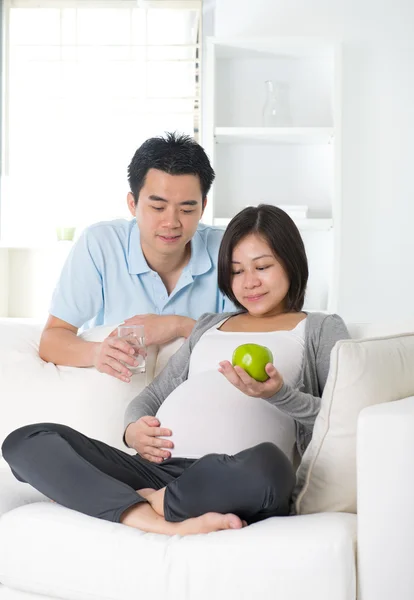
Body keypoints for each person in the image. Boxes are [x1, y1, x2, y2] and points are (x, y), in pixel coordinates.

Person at [2, 205, 350, 536]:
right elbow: (150, 397)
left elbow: (341, 421)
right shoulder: (210, 326)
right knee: (26, 441)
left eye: (262, 267)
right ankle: (156, 516)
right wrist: (131, 431)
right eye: (237, 270)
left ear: (291, 263)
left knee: (270, 467)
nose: (249, 282)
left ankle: (135, 501)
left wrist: (279, 395)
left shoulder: (319, 327)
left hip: (227, 476)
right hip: (153, 470)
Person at [39, 132, 235, 383]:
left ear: (203, 207)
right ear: (132, 203)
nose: (171, 222)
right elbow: (52, 339)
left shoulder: (227, 248)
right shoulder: (100, 244)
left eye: (187, 209)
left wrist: (178, 325)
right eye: (157, 207)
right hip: (118, 394)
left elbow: (247, 338)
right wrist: (98, 353)